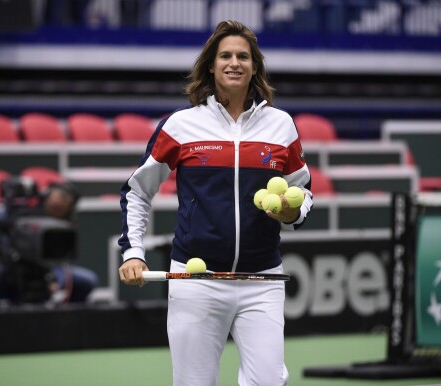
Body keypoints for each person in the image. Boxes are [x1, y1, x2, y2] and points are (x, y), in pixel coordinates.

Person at [118, 20, 313, 386]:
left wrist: (292, 211)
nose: (234, 62)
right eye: (225, 56)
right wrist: (133, 252)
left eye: (243, 56)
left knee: (269, 382)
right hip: (196, 280)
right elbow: (137, 191)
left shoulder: (281, 126)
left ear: (255, 66)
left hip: (262, 279)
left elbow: (304, 194)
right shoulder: (180, 125)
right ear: (211, 64)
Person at [0, 180, 99, 309]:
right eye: (57, 197)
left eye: (64, 202)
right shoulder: (22, 210)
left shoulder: (65, 226)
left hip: (50, 267)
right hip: (14, 263)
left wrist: (57, 280)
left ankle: (69, 318)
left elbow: (62, 262)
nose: (58, 203)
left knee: (88, 280)